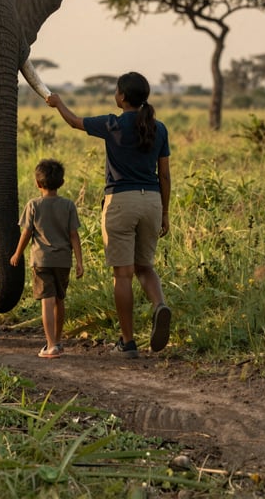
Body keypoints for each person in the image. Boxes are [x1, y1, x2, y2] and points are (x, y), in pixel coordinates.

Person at [46, 72, 171, 359]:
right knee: (145, 267)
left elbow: (75, 122)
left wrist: (58, 103)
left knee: (123, 275)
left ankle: (127, 343)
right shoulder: (159, 128)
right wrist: (165, 212)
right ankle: (159, 304)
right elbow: (164, 174)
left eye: (116, 91)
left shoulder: (111, 123)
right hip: (151, 200)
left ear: (122, 97)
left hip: (120, 202)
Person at [10, 158, 84, 358]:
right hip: (63, 261)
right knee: (60, 300)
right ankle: (58, 342)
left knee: (47, 302)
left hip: (41, 261)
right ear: (61, 182)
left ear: (37, 183)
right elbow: (74, 236)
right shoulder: (68, 205)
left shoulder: (33, 205)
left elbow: (26, 233)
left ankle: (50, 345)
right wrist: (79, 262)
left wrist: (17, 253)